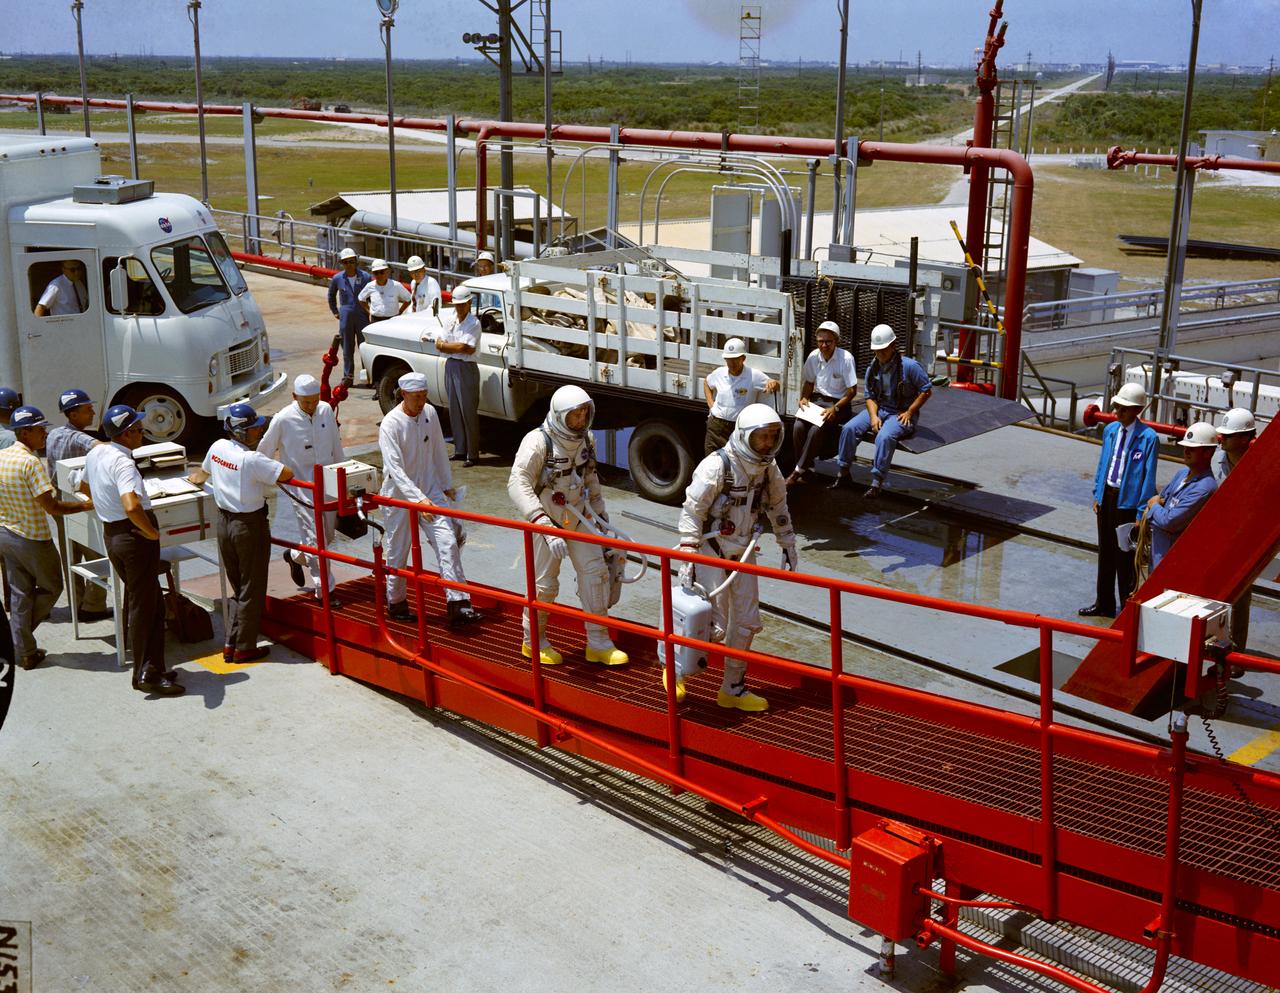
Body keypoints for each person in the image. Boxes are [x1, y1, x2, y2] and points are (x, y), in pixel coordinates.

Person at [675, 404, 798, 711]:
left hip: (743, 553)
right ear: (745, 437)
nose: (768, 444)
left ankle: (732, 688)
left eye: (773, 437)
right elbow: (693, 509)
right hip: (710, 552)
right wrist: (688, 551)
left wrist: (788, 543)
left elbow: (778, 509)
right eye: (761, 438)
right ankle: (675, 670)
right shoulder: (718, 466)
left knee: (746, 623)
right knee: (710, 624)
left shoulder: (768, 470)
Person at [508, 385, 628, 667]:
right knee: (544, 586)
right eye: (575, 415)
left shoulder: (586, 440)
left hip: (578, 516)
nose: (580, 420)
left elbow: (590, 480)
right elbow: (517, 483)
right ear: (561, 415)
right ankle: (533, 642)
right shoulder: (538, 441)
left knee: (596, 574)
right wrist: (540, 521)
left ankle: (598, 642)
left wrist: (601, 519)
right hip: (546, 520)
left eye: (584, 413)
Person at [86, 404, 184, 695]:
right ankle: (146, 674)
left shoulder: (96, 453)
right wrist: (151, 532)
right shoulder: (124, 463)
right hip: (134, 538)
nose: (142, 433)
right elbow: (131, 505)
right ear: (126, 434)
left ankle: (153, 666)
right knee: (145, 608)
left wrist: (107, 504)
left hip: (113, 534)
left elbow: (84, 485)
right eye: (139, 429)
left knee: (152, 605)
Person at [188, 403, 292, 663]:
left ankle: (231, 641)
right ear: (242, 433)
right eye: (255, 429)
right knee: (251, 588)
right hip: (249, 527)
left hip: (224, 524)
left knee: (239, 585)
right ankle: (244, 646)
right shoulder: (252, 460)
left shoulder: (218, 448)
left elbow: (202, 474)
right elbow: (286, 473)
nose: (259, 433)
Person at [379, 372, 482, 627]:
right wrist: (418, 500)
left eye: (425, 396)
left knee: (447, 541)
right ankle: (396, 601)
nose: (421, 401)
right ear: (403, 394)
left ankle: (458, 603)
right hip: (400, 496)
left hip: (430, 489)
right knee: (397, 550)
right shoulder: (390, 424)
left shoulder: (430, 414)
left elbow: (437, 449)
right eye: (416, 397)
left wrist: (446, 486)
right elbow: (395, 470)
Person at [0, 406, 94, 670]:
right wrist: (85, 506)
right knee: (53, 588)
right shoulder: (30, 462)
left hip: (5, 535)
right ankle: (19, 638)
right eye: (40, 429)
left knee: (20, 593)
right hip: (32, 538)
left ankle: (24, 650)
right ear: (25, 432)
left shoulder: (2, 457)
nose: (44, 434)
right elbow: (52, 507)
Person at [259, 373, 345, 607]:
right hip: (302, 491)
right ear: (295, 397)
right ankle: (325, 591)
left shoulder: (326, 410)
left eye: (315, 401)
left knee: (326, 538)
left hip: (327, 486)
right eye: (306, 402)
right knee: (317, 539)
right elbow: (263, 453)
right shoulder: (283, 419)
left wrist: (344, 482)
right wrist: (278, 476)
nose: (311, 406)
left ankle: (295, 557)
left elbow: (337, 448)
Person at [1079, 382, 1160, 618]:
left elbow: (1148, 476)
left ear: (1136, 410)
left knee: (1126, 559)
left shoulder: (1148, 438)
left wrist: (1140, 511)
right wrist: (1097, 493)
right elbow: (1104, 463)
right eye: (1117, 408)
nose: (1118, 413)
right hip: (1108, 498)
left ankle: (1127, 610)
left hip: (1128, 506)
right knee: (1106, 554)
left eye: (1124, 409)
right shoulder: (1111, 431)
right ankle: (1103, 603)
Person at [829, 323, 931, 498]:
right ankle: (843, 471)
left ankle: (877, 482)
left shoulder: (910, 366)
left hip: (900, 412)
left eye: (883, 350)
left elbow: (926, 390)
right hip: (881, 409)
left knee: (884, 436)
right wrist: (874, 416)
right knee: (849, 429)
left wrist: (910, 412)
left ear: (893, 346)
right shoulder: (873, 368)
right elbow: (869, 396)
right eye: (877, 351)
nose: (880, 354)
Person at [45, 388, 110, 620]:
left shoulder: (53, 434)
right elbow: (100, 448)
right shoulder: (78, 437)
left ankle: (76, 604)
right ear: (73, 415)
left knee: (70, 558)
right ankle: (93, 607)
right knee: (96, 556)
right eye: (87, 409)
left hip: (58, 502)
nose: (93, 412)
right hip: (79, 503)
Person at [786, 321, 858, 486]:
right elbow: (809, 383)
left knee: (816, 429)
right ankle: (808, 467)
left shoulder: (846, 359)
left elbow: (852, 391)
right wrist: (804, 397)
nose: (824, 345)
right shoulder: (813, 356)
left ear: (836, 342)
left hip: (839, 404)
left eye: (828, 341)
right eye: (820, 341)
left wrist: (836, 408)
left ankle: (797, 472)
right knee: (797, 427)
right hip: (818, 400)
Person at [1145, 421, 1218, 571]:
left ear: (1208, 453)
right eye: (1186, 447)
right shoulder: (1182, 473)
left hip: (1172, 561)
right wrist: (1159, 506)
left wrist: (1154, 506)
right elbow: (1163, 500)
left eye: (1192, 449)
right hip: (1158, 553)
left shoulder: (1205, 488)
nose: (1186, 451)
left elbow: (1169, 521)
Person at [1214, 408, 1256, 648]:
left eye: (1227, 436)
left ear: (1243, 439)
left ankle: (1236, 651)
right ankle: (1213, 645)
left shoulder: (1258, 467)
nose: (1222, 439)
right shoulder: (1214, 460)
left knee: (1240, 598)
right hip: (1216, 538)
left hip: (1244, 543)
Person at [702, 337, 779, 455]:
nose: (731, 363)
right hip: (716, 428)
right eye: (728, 359)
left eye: (735, 359)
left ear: (743, 358)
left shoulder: (754, 376)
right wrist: (711, 405)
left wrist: (774, 383)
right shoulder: (719, 373)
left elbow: (776, 385)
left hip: (739, 429)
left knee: (737, 466)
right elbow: (707, 382)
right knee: (711, 463)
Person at [433, 285, 482, 467]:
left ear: (469, 303)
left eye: (463, 304)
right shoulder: (451, 319)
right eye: (457, 304)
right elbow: (454, 344)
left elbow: (465, 348)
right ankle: (460, 449)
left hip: (466, 367)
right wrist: (452, 346)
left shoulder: (474, 323)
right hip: (451, 365)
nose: (459, 308)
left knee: (468, 411)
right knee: (454, 409)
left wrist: (446, 346)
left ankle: (473, 453)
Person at [327, 248, 372, 388]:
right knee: (347, 348)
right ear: (342, 263)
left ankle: (368, 378)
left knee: (364, 347)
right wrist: (335, 311)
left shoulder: (365, 277)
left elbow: (372, 295)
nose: (349, 265)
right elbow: (331, 295)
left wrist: (371, 310)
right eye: (346, 262)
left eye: (351, 261)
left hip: (362, 315)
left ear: (356, 262)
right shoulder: (338, 278)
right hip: (346, 315)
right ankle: (348, 377)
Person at [358, 258, 411, 325]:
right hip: (375, 320)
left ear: (387, 271)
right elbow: (361, 298)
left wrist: (400, 311)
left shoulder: (396, 285)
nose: (379, 275)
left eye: (382, 272)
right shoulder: (370, 286)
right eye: (376, 273)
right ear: (373, 273)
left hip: (393, 320)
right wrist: (369, 312)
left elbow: (408, 299)